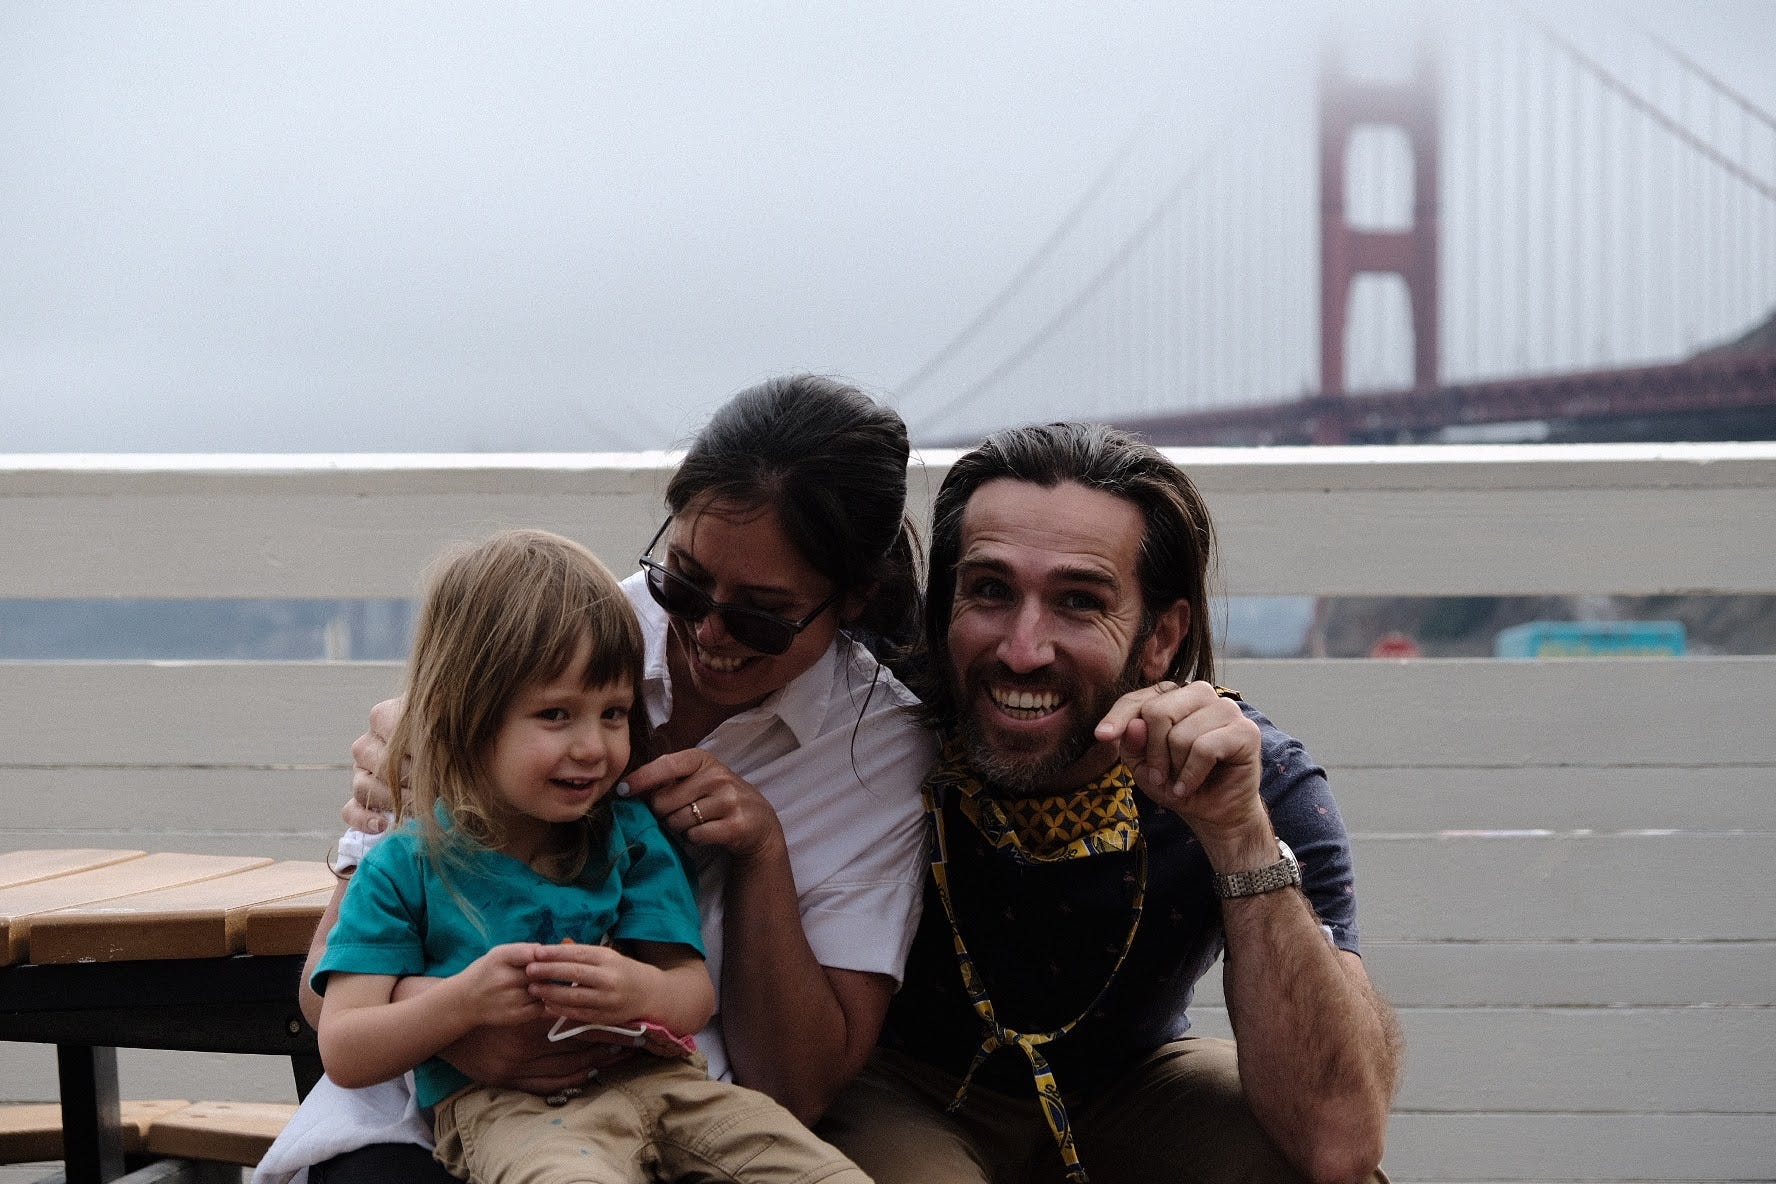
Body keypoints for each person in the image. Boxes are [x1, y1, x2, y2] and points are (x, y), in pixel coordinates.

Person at [257, 375, 934, 1184]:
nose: (704, 632)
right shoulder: (556, 637)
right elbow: (329, 1002)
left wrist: (761, 857)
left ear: (854, 597)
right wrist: (461, 1016)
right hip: (426, 1111)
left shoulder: (878, 747)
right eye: (681, 580)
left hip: (675, 1101)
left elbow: (782, 1075)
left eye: (759, 613)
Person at [815, 423, 1403, 1184]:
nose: (1023, 650)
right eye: (990, 591)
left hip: (1134, 1084)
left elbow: (1342, 1140)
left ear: (1161, 637)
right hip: (903, 1088)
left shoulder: (1252, 777)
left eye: (1079, 603)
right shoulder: (866, 721)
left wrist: (1239, 837)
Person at [314, 528, 868, 1182]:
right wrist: (462, 1004)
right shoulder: (403, 865)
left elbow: (689, 993)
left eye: (613, 713)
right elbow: (344, 1045)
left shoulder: (627, 837)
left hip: (666, 1082)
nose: (593, 746)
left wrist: (637, 987)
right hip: (514, 1109)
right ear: (465, 713)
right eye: (556, 715)